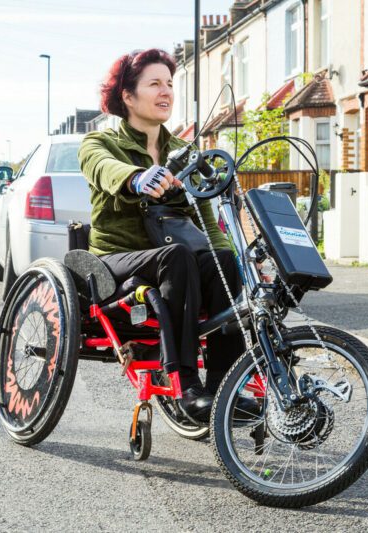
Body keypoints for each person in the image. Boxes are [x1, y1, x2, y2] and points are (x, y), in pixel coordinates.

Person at [78, 49, 249, 422]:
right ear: (127, 95)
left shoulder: (184, 152)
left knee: (222, 261)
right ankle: (185, 385)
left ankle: (225, 389)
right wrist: (136, 178)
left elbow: (207, 225)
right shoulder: (100, 144)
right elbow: (103, 169)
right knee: (178, 258)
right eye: (154, 83)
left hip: (172, 258)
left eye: (170, 84)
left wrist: (232, 263)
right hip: (117, 258)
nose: (166, 91)